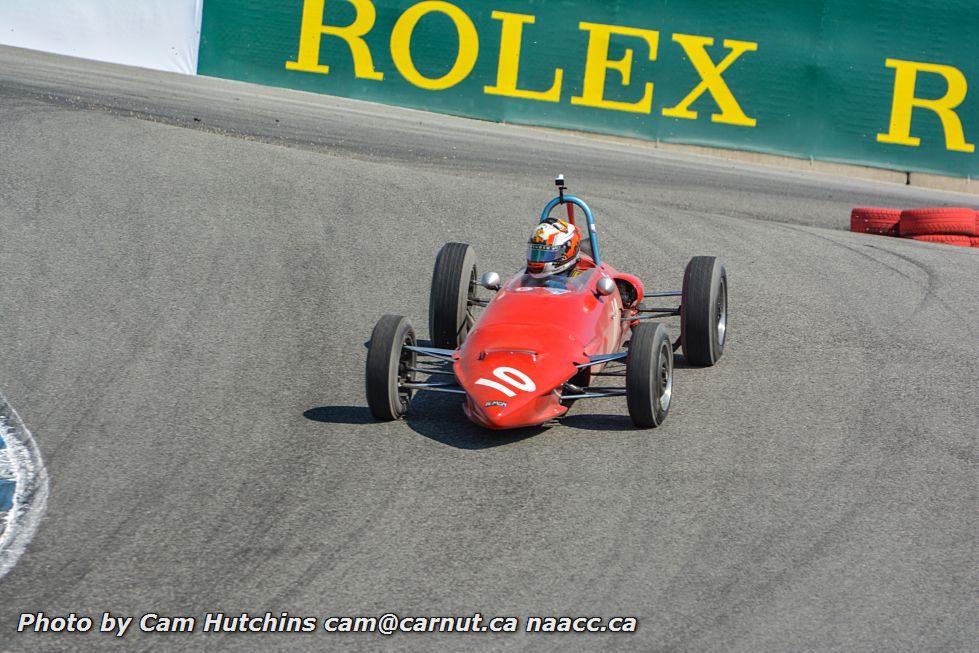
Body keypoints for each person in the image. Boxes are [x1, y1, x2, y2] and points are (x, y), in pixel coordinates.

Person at [526, 217, 582, 285]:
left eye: (546, 254)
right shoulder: (526, 277)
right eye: (534, 254)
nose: (537, 260)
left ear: (565, 254)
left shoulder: (578, 282)